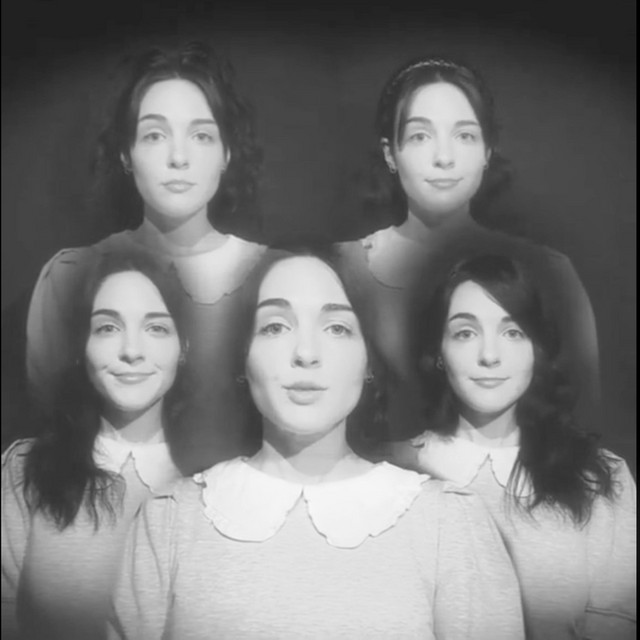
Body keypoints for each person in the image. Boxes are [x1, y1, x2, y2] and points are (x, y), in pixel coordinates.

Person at [108, 247, 525, 640]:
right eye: (275, 327)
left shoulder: (449, 524)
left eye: (337, 328)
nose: (306, 353)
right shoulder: (170, 521)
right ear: (244, 357)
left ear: (368, 360)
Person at [25, 40, 267, 472]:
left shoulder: (275, 277)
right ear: (126, 153)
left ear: (226, 153)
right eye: (155, 135)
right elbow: (53, 421)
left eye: (201, 135)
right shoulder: (69, 278)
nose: (178, 157)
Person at [336, 55, 600, 438]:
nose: (444, 158)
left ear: (487, 151)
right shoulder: (339, 268)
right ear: (390, 153)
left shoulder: (550, 271)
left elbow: (583, 420)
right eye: (420, 136)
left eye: (465, 136)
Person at [387, 255, 636, 640]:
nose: (490, 356)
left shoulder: (602, 478)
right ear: (438, 351)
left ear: (538, 348)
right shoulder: (391, 472)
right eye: (465, 333)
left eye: (513, 332)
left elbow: (615, 624)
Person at [1, 251, 189, 640]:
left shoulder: (217, 481)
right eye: (107, 327)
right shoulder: (25, 470)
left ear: (183, 346)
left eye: (156, 328)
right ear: (81, 346)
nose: (132, 351)